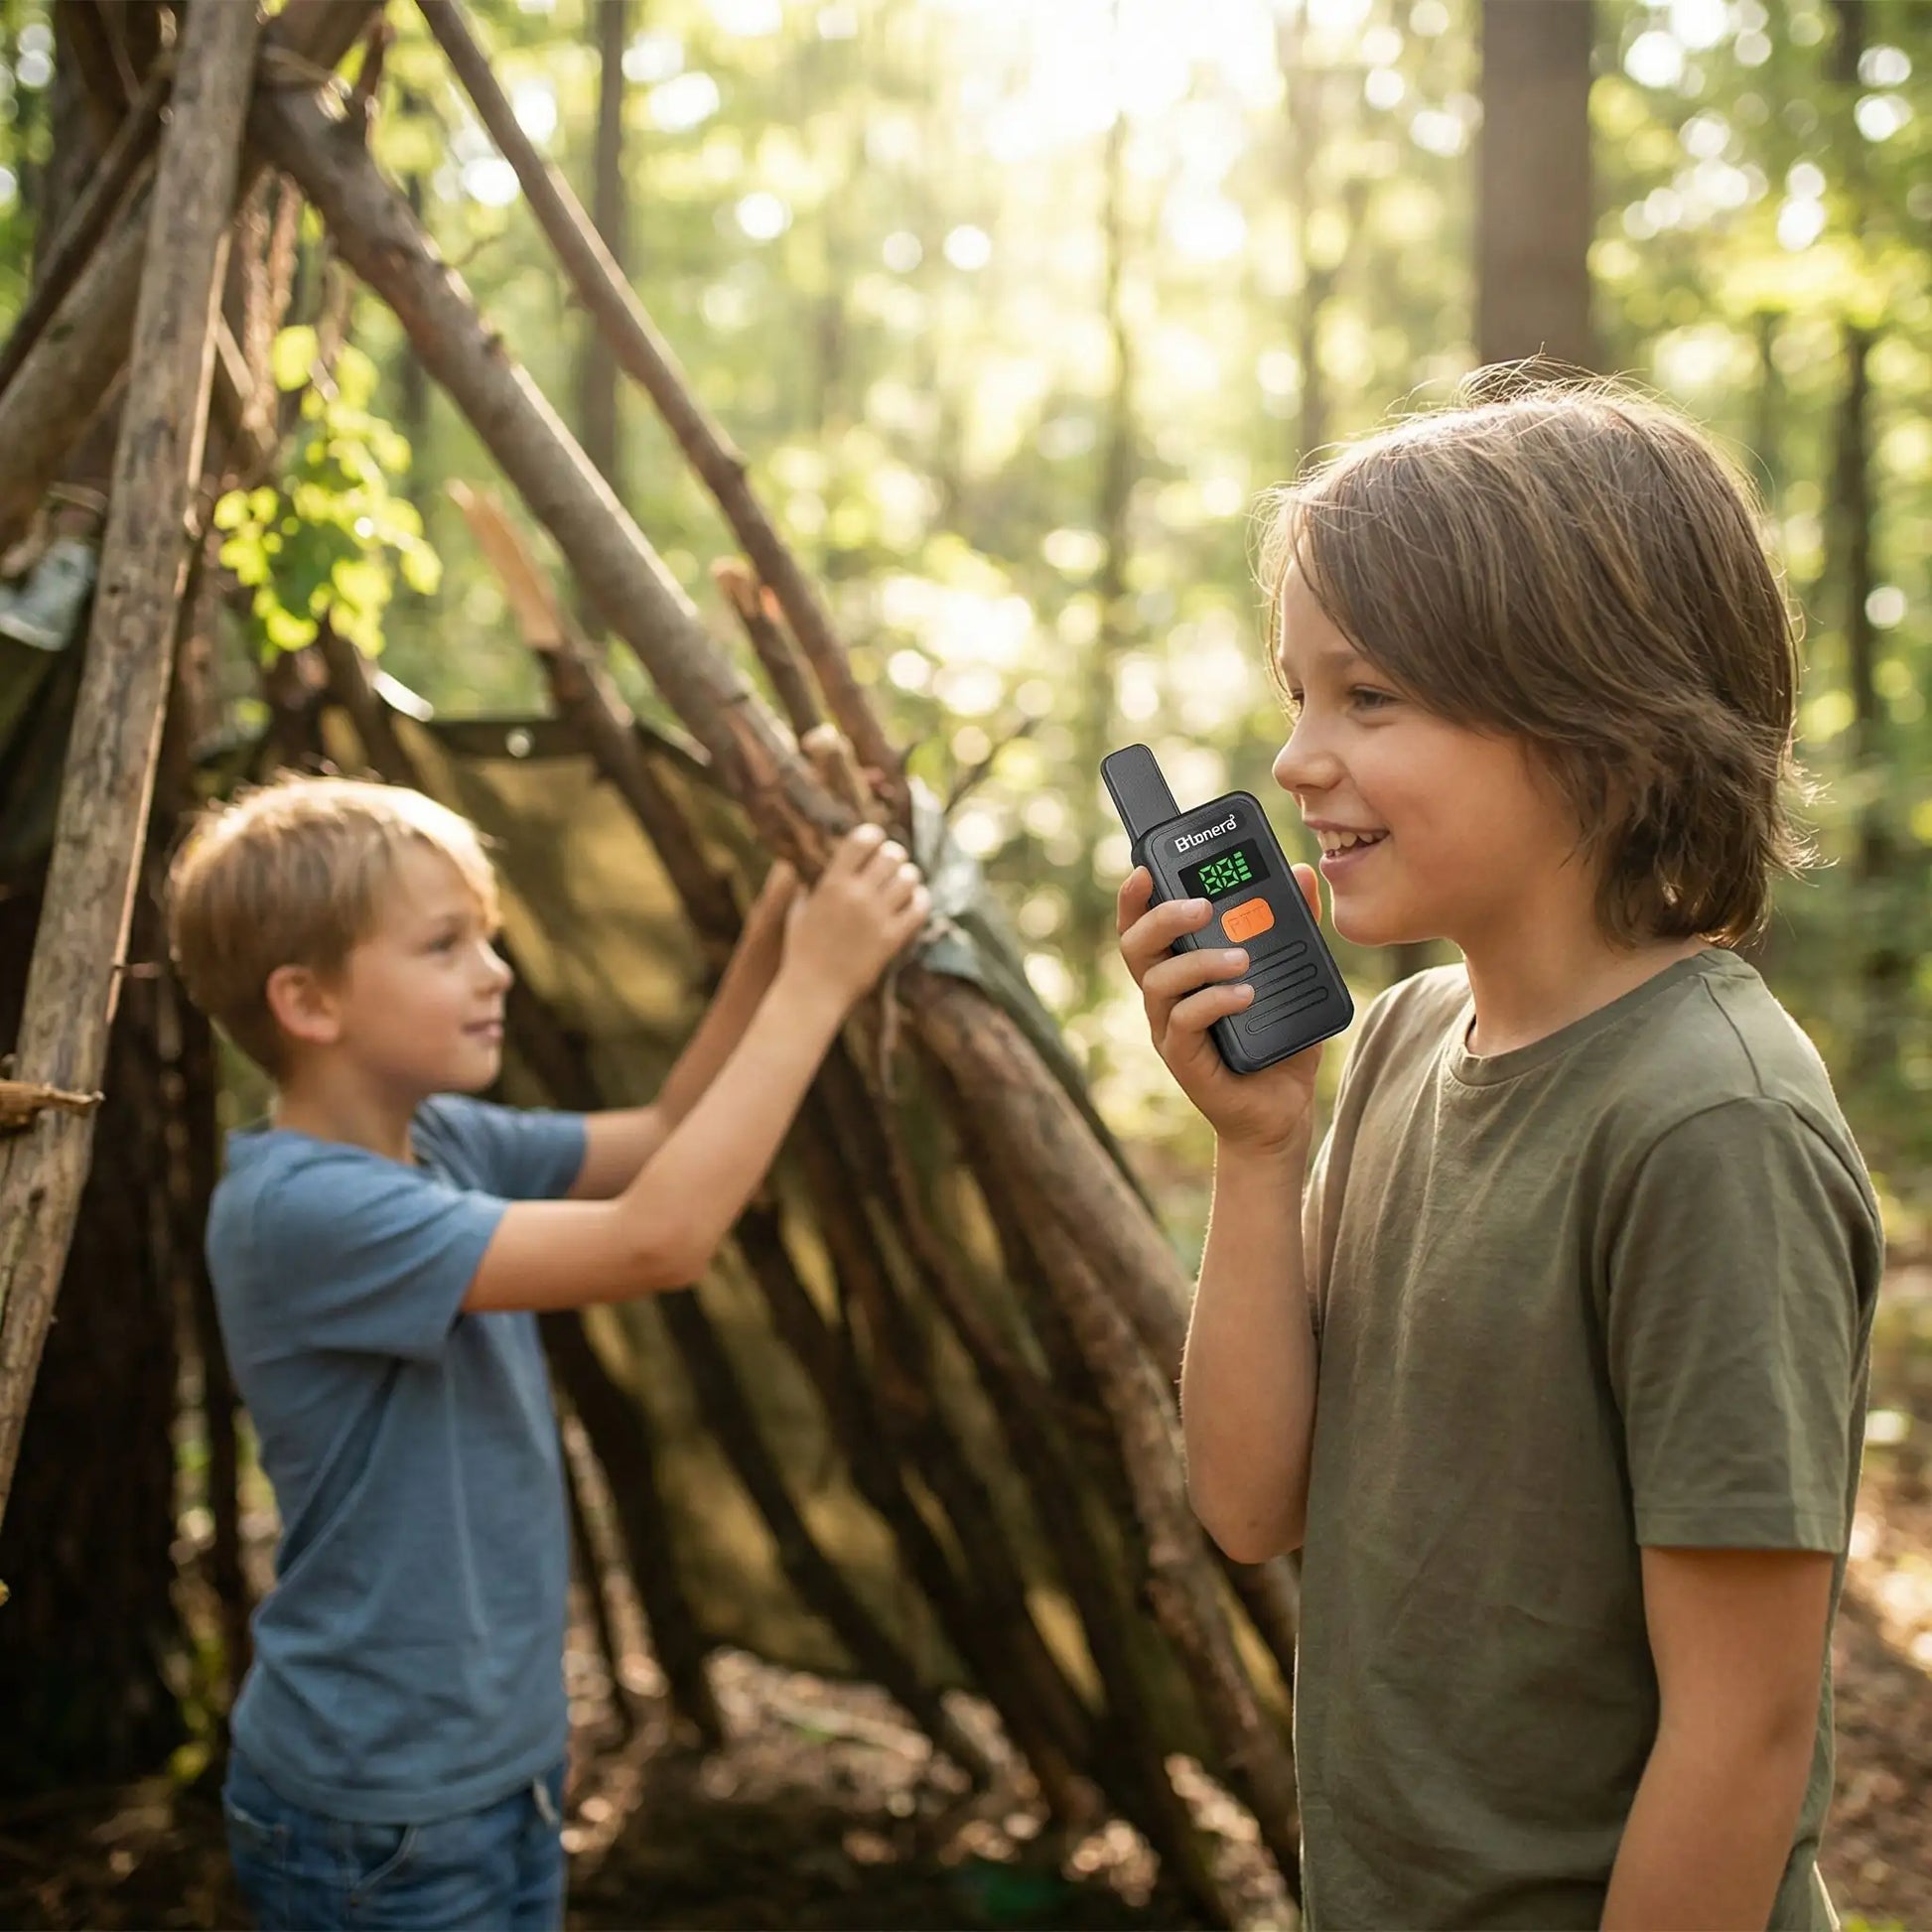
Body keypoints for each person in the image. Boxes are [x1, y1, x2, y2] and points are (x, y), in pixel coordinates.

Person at [1116, 373, 1884, 1930]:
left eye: (1369, 696)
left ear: (1597, 710)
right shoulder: (1400, 1044)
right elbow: (1251, 1503)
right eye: (1297, 692)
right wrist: (1260, 1148)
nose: (1298, 757)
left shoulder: (1708, 1122)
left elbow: (1738, 1740)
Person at [166, 773, 929, 1932]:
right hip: (381, 1809)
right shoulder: (302, 1210)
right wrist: (820, 983)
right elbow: (658, 1236)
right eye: (445, 944)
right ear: (309, 1001)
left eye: (487, 937)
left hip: (485, 1771)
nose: (496, 969)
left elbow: (667, 1132)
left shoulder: (437, 1140)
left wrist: (781, 921)